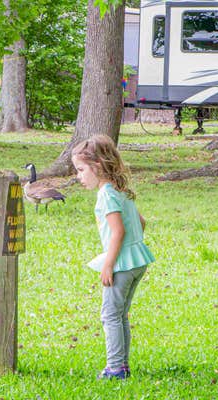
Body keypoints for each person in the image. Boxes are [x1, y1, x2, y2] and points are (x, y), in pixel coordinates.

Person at [71, 135, 155, 380]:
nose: (78, 176)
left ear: (97, 166)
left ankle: (116, 368)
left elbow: (118, 231)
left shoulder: (106, 194)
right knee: (119, 314)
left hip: (121, 264)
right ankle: (122, 365)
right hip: (137, 260)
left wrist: (109, 264)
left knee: (110, 315)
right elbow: (141, 222)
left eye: (81, 169)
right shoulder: (121, 191)